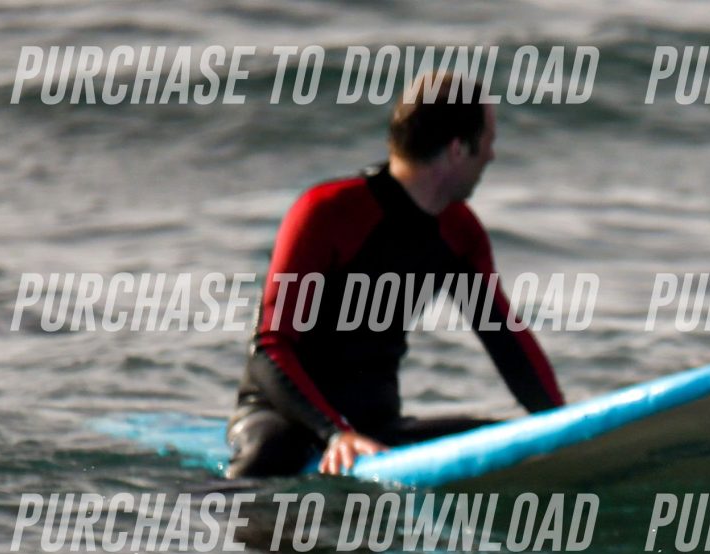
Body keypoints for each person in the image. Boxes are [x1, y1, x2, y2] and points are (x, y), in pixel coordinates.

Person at [227, 74, 563, 478]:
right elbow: (270, 347)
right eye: (488, 141)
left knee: (501, 439)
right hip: (285, 418)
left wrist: (561, 427)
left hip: (377, 427)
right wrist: (335, 433)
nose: (491, 156)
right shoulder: (328, 212)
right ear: (458, 149)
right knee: (272, 449)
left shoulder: (459, 231)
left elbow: (506, 342)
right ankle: (208, 509)